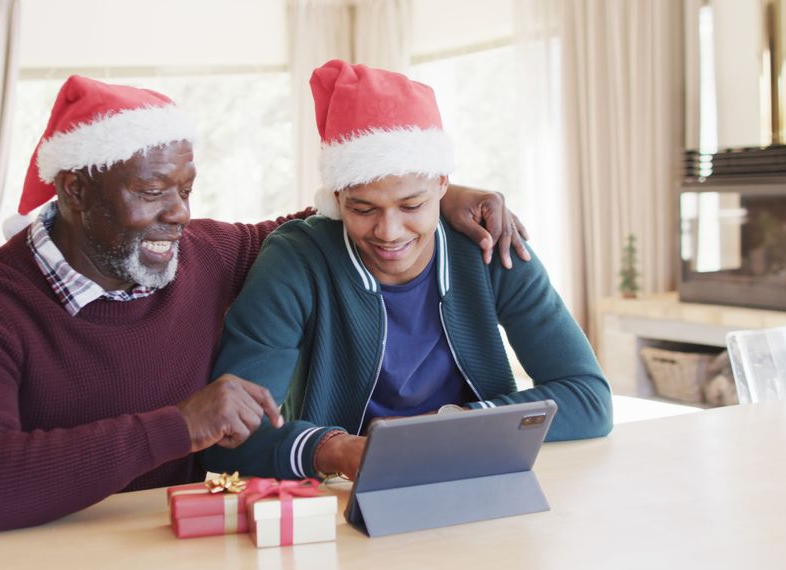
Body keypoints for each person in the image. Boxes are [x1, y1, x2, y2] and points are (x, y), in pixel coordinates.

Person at [0, 74, 528, 537]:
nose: (179, 212)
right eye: (153, 193)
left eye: (185, 190)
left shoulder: (206, 251)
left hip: (200, 541)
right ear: (75, 190)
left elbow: (337, 221)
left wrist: (445, 194)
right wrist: (179, 426)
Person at [203, 60, 613, 481]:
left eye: (412, 206)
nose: (389, 232)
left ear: (442, 184)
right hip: (341, 498)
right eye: (362, 209)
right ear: (337, 196)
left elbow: (589, 399)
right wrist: (336, 450)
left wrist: (446, 427)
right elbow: (232, 441)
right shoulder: (294, 262)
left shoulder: (490, 246)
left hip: (479, 476)